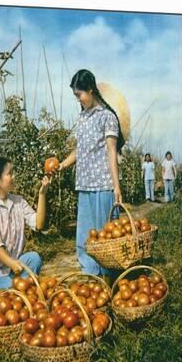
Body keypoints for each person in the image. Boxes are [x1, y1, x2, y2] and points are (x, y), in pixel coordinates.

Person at [58, 69, 125, 278]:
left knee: (106, 234)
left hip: (103, 183)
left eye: (79, 95)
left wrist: (116, 186)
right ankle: (91, 274)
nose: (78, 99)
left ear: (90, 90)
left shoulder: (107, 117)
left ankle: (109, 274)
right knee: (86, 237)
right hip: (85, 184)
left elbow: (112, 152)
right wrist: (60, 166)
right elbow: (79, 150)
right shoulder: (82, 118)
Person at [0, 156, 51, 295]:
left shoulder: (18, 202)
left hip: (14, 269)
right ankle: (19, 289)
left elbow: (39, 224)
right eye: (10, 173)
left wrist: (42, 194)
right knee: (19, 290)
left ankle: (22, 287)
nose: (14, 176)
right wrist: (12, 263)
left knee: (34, 258)